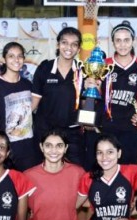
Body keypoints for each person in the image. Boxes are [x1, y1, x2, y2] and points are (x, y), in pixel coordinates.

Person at [100, 23, 137, 165]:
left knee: (128, 173)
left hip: (129, 130)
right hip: (106, 129)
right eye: (118, 40)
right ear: (112, 43)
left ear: (133, 41)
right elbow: (92, 95)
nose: (122, 44)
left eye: (126, 40)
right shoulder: (103, 65)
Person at [31, 27, 85, 167]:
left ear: (79, 49)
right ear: (58, 45)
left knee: (76, 172)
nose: (69, 47)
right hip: (45, 131)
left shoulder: (83, 72)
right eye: (65, 43)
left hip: (72, 133)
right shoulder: (44, 68)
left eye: (74, 44)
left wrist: (93, 89)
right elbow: (34, 102)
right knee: (43, 171)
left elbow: (85, 105)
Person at [0, 42, 37, 172]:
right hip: (9, 151)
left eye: (20, 56)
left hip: (29, 149)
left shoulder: (27, 84)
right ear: (4, 59)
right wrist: (1, 149)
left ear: (24, 59)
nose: (16, 60)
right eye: (11, 56)